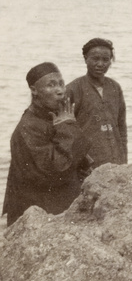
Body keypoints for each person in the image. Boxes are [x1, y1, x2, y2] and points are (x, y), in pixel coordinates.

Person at [2, 62, 92, 226]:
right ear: (34, 90)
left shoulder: (54, 116)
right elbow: (57, 169)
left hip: (55, 203)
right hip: (36, 211)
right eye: (51, 85)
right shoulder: (28, 127)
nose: (60, 90)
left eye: (61, 84)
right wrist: (67, 126)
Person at [66, 38, 127, 168]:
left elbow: (121, 127)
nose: (100, 64)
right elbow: (65, 131)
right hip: (88, 163)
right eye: (95, 59)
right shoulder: (73, 89)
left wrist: (124, 161)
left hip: (116, 160)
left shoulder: (115, 87)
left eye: (106, 60)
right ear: (85, 58)